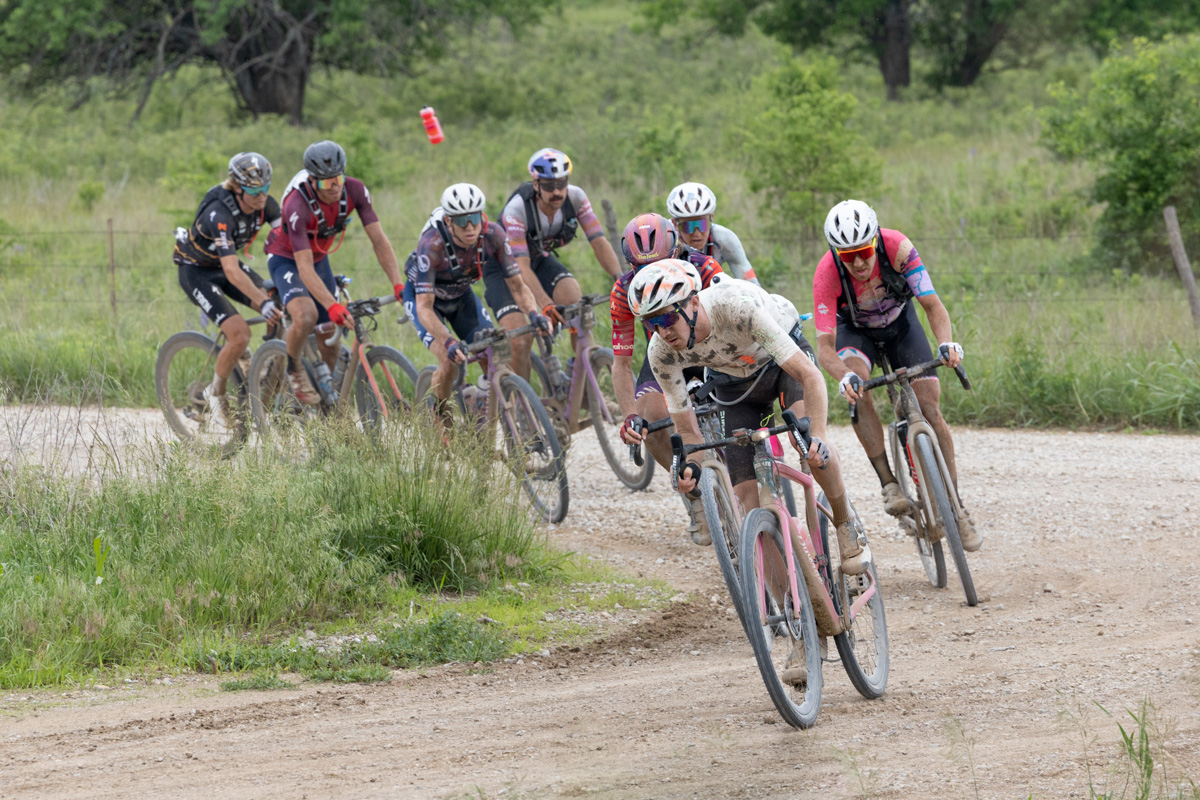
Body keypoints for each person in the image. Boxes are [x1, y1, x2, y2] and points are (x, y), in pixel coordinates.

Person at [629, 259, 868, 580]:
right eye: (651, 323)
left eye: (668, 317)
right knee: (748, 503)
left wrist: (819, 436)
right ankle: (793, 615)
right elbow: (689, 433)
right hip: (734, 383)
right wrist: (692, 466)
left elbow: (810, 377)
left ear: (694, 302)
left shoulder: (736, 308)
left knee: (809, 445)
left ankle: (845, 521)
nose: (662, 330)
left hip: (780, 364)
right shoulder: (661, 352)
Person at [812, 199, 980, 551]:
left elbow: (932, 305)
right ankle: (889, 482)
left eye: (863, 251)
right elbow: (826, 347)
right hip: (857, 334)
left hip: (902, 326)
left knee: (930, 410)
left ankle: (957, 506)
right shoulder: (827, 272)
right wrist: (843, 376)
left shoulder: (898, 247)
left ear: (875, 241)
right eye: (847, 256)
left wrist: (946, 344)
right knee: (859, 383)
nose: (858, 262)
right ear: (836, 254)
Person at [610, 213, 723, 543]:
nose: (654, 277)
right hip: (666, 354)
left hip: (711, 345)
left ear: (677, 252)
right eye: (644, 271)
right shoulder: (623, 290)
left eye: (661, 264)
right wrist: (630, 415)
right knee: (651, 419)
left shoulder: (704, 266)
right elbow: (621, 363)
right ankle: (694, 498)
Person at [263, 140, 404, 405]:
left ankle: (328, 398)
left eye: (338, 178)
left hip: (317, 257)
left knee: (330, 337)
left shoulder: (355, 190)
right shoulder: (297, 205)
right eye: (328, 183)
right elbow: (302, 268)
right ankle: (294, 370)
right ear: (313, 181)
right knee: (306, 317)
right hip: (286, 257)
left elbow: (379, 241)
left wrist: (398, 285)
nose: (336, 186)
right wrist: (333, 304)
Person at [402, 183, 550, 420]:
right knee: (450, 361)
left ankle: (484, 407)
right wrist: (448, 341)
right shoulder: (432, 245)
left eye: (474, 218)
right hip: (426, 302)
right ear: (449, 221)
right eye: (461, 221)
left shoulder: (494, 235)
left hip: (461, 297)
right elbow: (424, 308)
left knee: (493, 352)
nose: (470, 226)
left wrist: (535, 314)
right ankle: (440, 413)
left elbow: (518, 286)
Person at [173, 151, 284, 430]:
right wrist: (262, 303)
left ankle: (261, 370)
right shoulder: (219, 214)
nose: (261, 196)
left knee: (278, 299)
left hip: (223, 266)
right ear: (236, 187)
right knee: (240, 334)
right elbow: (233, 272)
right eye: (254, 190)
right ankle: (215, 394)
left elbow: (289, 242)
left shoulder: (267, 205)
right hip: (197, 271)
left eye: (266, 188)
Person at [500, 148, 623, 365]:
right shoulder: (516, 210)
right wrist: (546, 303)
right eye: (548, 186)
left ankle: (585, 385)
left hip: (537, 258)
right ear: (535, 184)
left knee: (576, 307)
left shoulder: (576, 197)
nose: (556, 191)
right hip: (505, 267)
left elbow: (599, 241)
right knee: (522, 338)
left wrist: (620, 278)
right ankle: (522, 397)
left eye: (561, 183)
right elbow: (521, 266)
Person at [665, 181, 759, 284]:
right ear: (675, 224)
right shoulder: (664, 239)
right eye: (689, 226)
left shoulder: (725, 238)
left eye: (702, 224)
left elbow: (750, 282)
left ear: (711, 218)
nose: (697, 233)